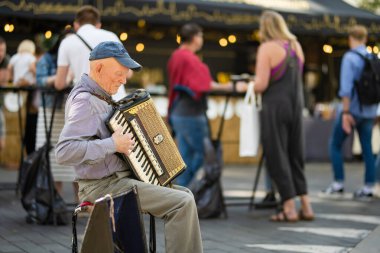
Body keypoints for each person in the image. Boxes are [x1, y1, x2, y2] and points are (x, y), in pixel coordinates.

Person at [55, 41, 203, 253]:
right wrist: (113, 144)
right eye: (119, 73)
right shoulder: (85, 101)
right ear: (99, 68)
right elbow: (64, 152)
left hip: (119, 180)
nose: (123, 80)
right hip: (103, 187)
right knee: (181, 203)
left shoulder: (100, 97)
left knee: (186, 195)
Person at [241, 11, 314, 222]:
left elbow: (262, 84)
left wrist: (247, 85)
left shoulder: (267, 48)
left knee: (277, 155)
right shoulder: (296, 46)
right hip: (296, 105)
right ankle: (306, 206)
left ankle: (289, 208)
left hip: (275, 107)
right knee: (295, 155)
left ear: (265, 28)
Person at [167, 23, 231, 187]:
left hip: (179, 112)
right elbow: (204, 85)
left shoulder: (176, 55)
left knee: (186, 157)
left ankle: (180, 194)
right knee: (205, 154)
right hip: (191, 114)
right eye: (201, 36)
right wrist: (230, 86)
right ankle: (184, 190)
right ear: (195, 37)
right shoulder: (189, 58)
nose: (202, 39)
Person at [322, 25, 377, 200]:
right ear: (365, 38)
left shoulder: (349, 58)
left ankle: (338, 183)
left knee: (335, 144)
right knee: (367, 148)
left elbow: (345, 89)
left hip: (351, 110)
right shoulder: (373, 56)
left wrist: (345, 112)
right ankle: (369, 186)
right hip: (369, 110)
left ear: (350, 38)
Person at [35, 29, 77, 199]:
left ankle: (80, 201)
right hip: (50, 110)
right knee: (52, 157)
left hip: (71, 111)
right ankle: (56, 200)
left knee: (74, 157)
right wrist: (57, 78)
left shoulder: (78, 58)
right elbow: (40, 80)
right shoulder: (47, 59)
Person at [55, 5, 126, 99]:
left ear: (76, 25)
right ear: (98, 25)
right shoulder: (111, 37)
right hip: (116, 102)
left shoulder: (67, 42)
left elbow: (59, 84)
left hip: (86, 104)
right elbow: (128, 73)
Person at [8, 39, 37, 155]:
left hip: (15, 90)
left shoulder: (15, 57)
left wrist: (13, 79)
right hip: (27, 91)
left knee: (15, 122)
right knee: (26, 122)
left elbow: (9, 69)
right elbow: (34, 70)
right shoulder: (31, 58)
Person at [0, 36, 9, 150]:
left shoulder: (6, 60)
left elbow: (4, 82)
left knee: (2, 144)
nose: (1, 53)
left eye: (2, 50)